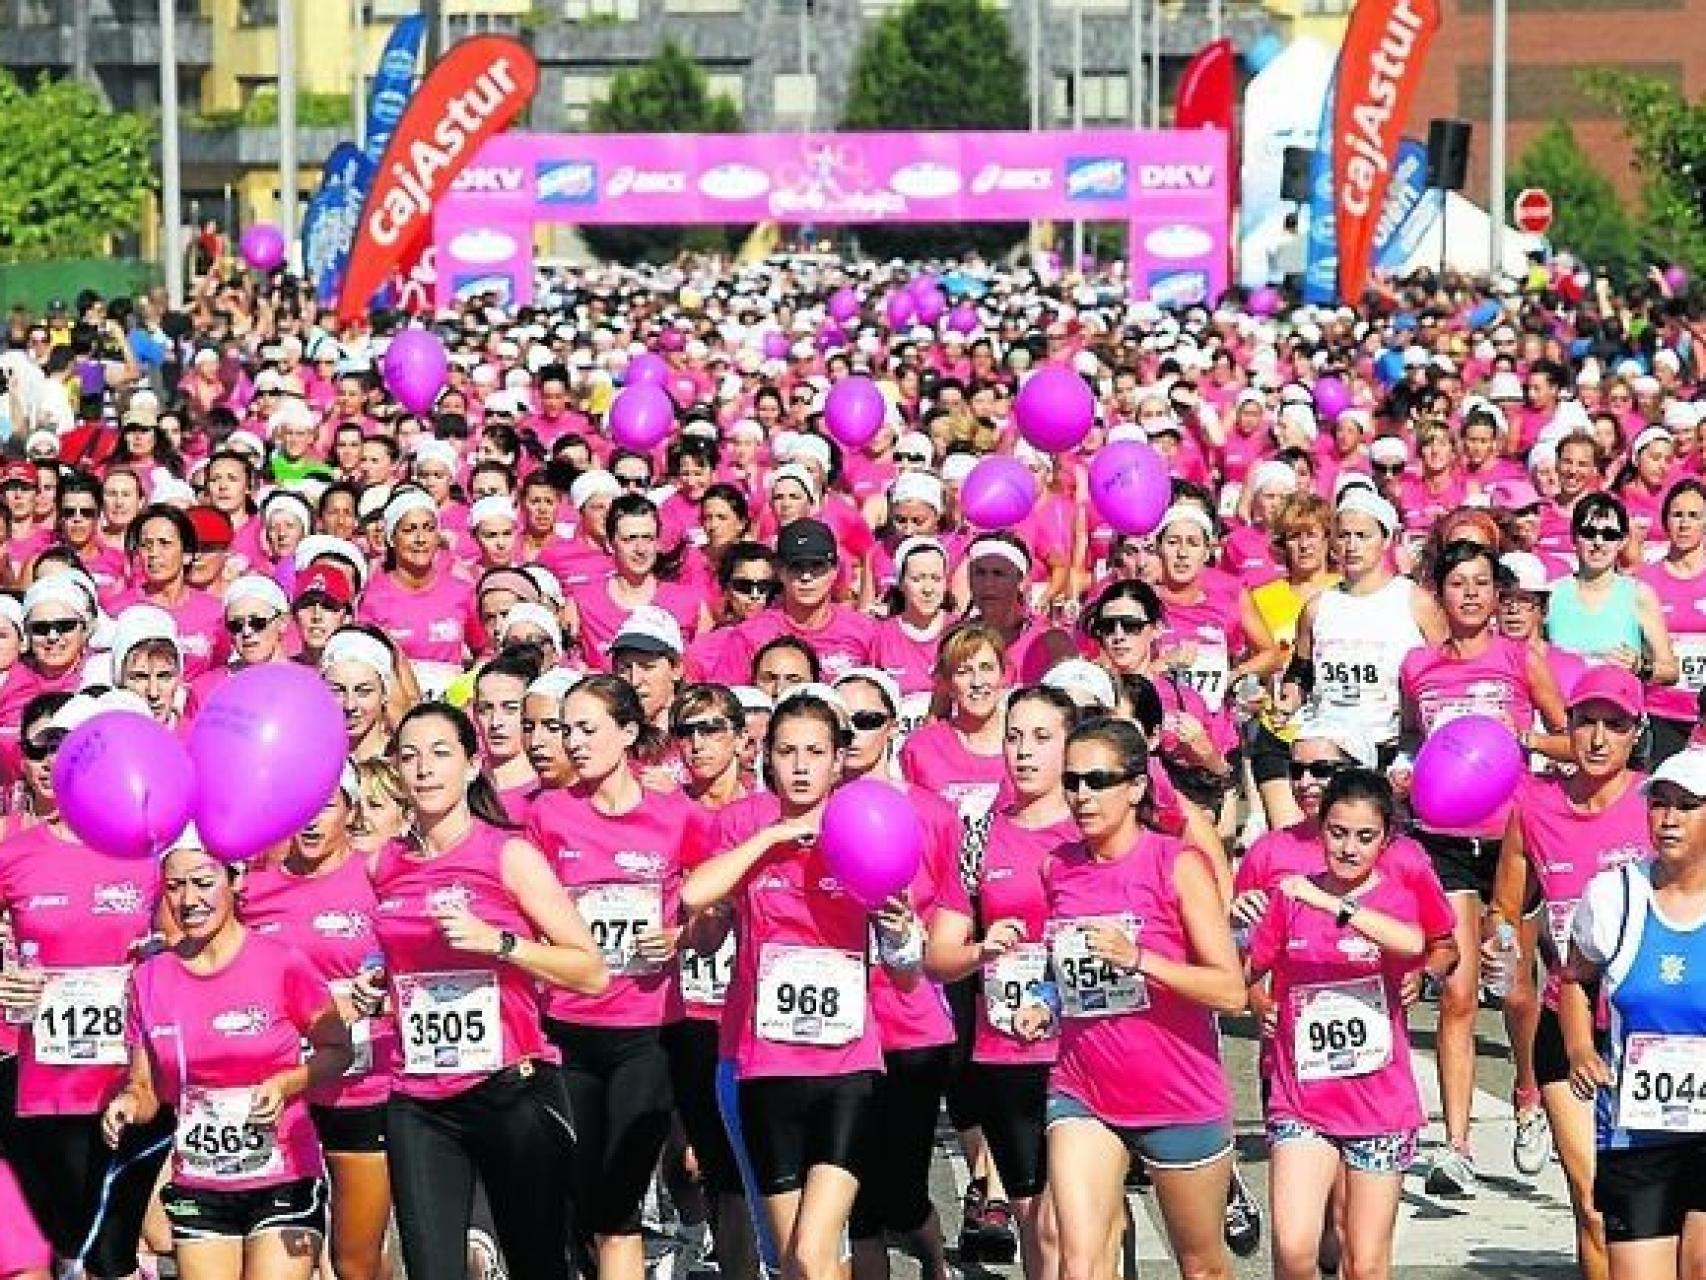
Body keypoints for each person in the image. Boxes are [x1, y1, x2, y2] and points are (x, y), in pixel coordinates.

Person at [681, 688, 920, 1280]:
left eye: (816, 751)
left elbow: (907, 970)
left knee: (815, 1253)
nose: (801, 765)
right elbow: (694, 896)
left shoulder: (866, 820)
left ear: (839, 759)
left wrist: (898, 931)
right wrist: (771, 840)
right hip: (767, 1068)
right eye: (787, 751)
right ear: (767, 758)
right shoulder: (742, 822)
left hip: (846, 1068)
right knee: (794, 1263)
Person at [364, 702, 608, 1280]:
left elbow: (590, 971)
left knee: (537, 1264)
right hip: (418, 1098)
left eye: (441, 753)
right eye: (410, 756)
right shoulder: (384, 864)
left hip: (509, 1091)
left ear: (473, 765)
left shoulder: (507, 853)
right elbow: (402, 964)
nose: (424, 769)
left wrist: (498, 944)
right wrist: (380, 985)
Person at [1015, 716, 1245, 1280]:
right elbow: (1063, 965)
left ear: (1137, 787)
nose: (1082, 795)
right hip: (1084, 1089)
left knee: (1202, 1266)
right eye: (1072, 781)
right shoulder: (1057, 867)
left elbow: (1231, 989)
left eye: (1098, 780)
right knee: (1079, 1259)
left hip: (1177, 1091)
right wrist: (1044, 1001)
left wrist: (1141, 960)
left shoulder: (1177, 864)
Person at [1398, 539, 1570, 1198]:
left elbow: (1568, 736)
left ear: (1499, 597)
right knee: (1460, 993)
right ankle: (1458, 1147)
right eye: (1457, 584)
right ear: (1438, 596)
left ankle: (1528, 1096)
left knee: (1517, 990)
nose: (1469, 595)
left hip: (1511, 844)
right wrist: (1406, 768)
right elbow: (1414, 739)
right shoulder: (1417, 668)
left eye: (1481, 584)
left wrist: (1519, 741)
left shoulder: (1520, 659)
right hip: (1442, 840)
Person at [102, 830, 354, 1278]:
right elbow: (145, 1088)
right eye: (175, 886)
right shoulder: (149, 979)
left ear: (235, 880)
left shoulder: (282, 962)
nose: (189, 899)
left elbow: (338, 1050)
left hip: (283, 1172)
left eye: (203, 882)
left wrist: (286, 1083)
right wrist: (126, 1105)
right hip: (201, 1179)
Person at [525, 675, 701, 1280]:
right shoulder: (548, 814)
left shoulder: (676, 815)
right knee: (582, 1194)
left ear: (628, 733)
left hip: (647, 1032)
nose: (572, 742)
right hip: (567, 1032)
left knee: (618, 1198)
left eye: (587, 729)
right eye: (563, 729)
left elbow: (717, 908)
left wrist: (683, 936)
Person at [1249, 769, 1453, 1280]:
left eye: (1365, 837)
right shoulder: (1289, 896)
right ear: (1321, 831)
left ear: (1386, 839)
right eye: (1337, 833)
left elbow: (1413, 943)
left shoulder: (1396, 894)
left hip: (1379, 1105)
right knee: (1294, 1250)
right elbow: (1242, 973)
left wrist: (1332, 904)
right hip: (1303, 1098)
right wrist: (1251, 990)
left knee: (1364, 1263)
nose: (1348, 848)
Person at [0, 694, 172, 1279]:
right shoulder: (14, 854)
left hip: (130, 1084)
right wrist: (5, 983)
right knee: (64, 1250)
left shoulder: (150, 849)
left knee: (107, 1253)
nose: (59, 761)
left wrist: (156, 958)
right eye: (48, 748)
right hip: (42, 1087)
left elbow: (193, 947)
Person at [1486, 666, 1649, 1280]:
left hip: (1651, 1028)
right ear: (1568, 728)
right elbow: (1507, 907)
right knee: (1593, 1205)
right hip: (1567, 1018)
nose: (1599, 738)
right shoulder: (1535, 807)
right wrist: (1500, 946)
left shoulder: (1660, 805)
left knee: (1661, 1212)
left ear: (1636, 734)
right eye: (1586, 723)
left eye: (1616, 725)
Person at [927, 685, 1082, 1280]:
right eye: (1014, 737)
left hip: (1086, 1048)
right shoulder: (979, 834)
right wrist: (981, 949)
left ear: (1072, 746)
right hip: (1005, 1046)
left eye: (1042, 738)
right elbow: (941, 956)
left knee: (1086, 1215)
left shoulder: (1091, 830)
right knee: (1035, 1221)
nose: (1023, 752)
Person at [239, 767, 396, 1280]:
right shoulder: (253, 889)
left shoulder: (378, 876)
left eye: (326, 806)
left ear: (351, 812)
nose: (310, 820)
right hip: (283, 1096)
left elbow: (412, 971)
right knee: (288, 1259)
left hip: (362, 1087)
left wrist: (379, 996)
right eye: (300, 805)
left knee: (355, 1261)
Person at [834, 668, 962, 1280]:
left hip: (912, 1025)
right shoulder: (811, 812)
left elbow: (953, 904)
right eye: (843, 723)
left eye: (867, 720)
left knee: (900, 1191)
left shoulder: (933, 814)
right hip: (834, 1030)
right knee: (853, 1198)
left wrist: (916, 936)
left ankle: (935, 1258)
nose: (854, 734)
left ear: (891, 726)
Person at [1561, 747, 1706, 1280]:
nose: (1667, 819)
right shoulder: (1611, 897)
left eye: (1686, 806)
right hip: (1636, 1131)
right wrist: (1579, 1048)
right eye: (1659, 804)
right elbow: (1575, 981)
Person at [1290, 489, 1444, 759]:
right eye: (1344, 536)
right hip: (1330, 748)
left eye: (1362, 536)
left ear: (1386, 540)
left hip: (1390, 746)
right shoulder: (1317, 607)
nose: (1352, 546)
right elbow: (1299, 674)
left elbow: (1445, 668)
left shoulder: (1414, 601)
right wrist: (1286, 698)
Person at [1545, 494, 1676, 694]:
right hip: (1564, 716)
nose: (1598, 542)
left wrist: (1639, 666)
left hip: (1619, 717)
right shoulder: (1550, 595)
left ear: (1622, 541)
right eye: (1589, 533)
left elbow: (1671, 671)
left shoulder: (1639, 594)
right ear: (1573, 537)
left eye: (1609, 535)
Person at [1636, 480, 1706, 764]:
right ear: (1665, 520)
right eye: (1677, 515)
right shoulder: (1643, 581)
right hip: (1660, 712)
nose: (1685, 524)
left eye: (1694, 516)